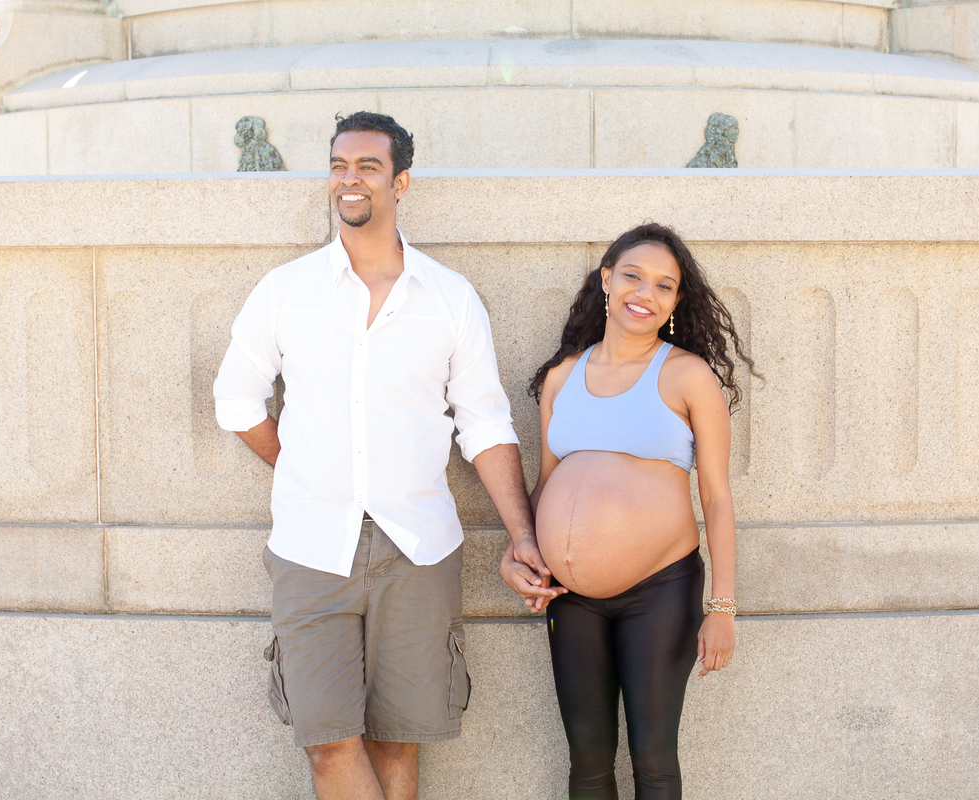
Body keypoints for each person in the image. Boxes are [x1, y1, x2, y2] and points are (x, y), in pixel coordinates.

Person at [214, 111, 550, 800]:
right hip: (311, 546)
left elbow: (485, 426)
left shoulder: (450, 298)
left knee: (397, 740)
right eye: (339, 165)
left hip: (419, 547)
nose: (350, 179)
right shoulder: (286, 291)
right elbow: (236, 401)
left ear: (401, 182)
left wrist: (522, 535)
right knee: (328, 743)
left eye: (368, 166)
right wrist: (305, 465)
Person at [500, 223, 754, 800]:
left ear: (676, 301)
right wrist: (517, 552)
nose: (647, 293)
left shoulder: (688, 375)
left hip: (660, 589)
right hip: (570, 595)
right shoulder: (562, 376)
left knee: (653, 758)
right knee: (587, 758)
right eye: (634, 276)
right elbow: (546, 484)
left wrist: (723, 608)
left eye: (665, 285)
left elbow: (717, 498)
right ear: (607, 280)